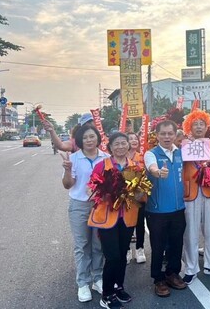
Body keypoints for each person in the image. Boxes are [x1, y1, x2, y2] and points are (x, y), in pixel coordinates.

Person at [87, 132, 146, 309]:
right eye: (116, 144)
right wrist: (109, 191)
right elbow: (93, 189)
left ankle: (119, 286)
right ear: (110, 147)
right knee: (112, 257)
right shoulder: (102, 165)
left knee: (122, 256)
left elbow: (142, 195)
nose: (120, 147)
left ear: (129, 145)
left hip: (127, 217)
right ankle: (106, 294)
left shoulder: (135, 167)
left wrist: (136, 192)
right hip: (107, 219)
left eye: (123, 143)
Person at [61, 125, 108, 303]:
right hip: (79, 206)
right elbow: (67, 185)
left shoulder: (106, 158)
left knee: (98, 244)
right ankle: (82, 283)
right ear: (80, 141)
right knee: (82, 245)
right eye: (85, 138)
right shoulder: (73, 158)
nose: (89, 140)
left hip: (100, 206)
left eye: (92, 136)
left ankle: (97, 278)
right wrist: (67, 169)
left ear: (98, 138)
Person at [181, 110, 210, 285]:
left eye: (202, 124)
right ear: (189, 127)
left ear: (207, 126)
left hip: (209, 189)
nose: (199, 127)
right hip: (190, 192)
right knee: (190, 231)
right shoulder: (183, 144)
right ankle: (191, 268)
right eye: (195, 124)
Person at [144, 120, 187, 297]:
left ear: (176, 134)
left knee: (176, 244)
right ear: (157, 135)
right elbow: (151, 167)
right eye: (163, 133)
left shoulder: (181, 153)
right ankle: (158, 279)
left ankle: (172, 273)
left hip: (178, 208)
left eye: (170, 133)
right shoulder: (151, 154)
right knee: (158, 246)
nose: (167, 137)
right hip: (157, 211)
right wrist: (157, 172)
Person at [125, 132, 146, 264]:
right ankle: (126, 250)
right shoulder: (121, 156)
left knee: (140, 223)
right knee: (126, 224)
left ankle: (140, 248)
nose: (133, 140)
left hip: (139, 196)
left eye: (135, 138)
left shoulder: (142, 157)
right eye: (130, 138)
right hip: (124, 196)